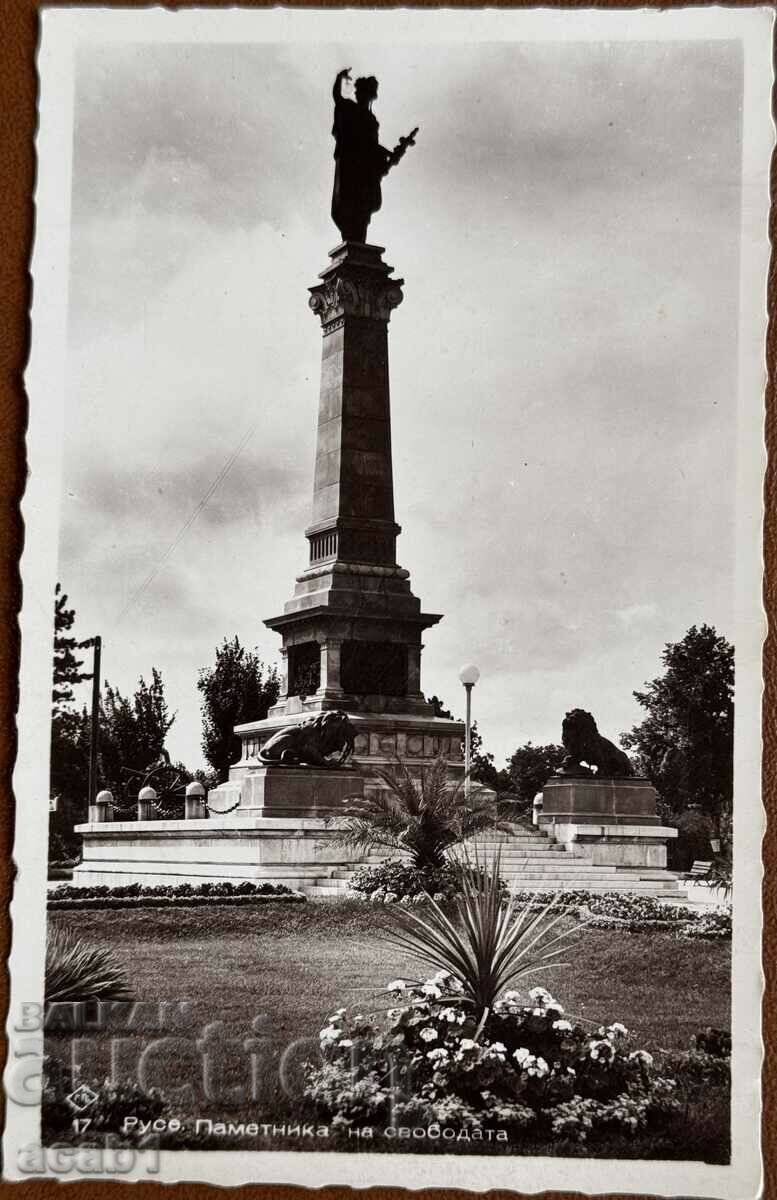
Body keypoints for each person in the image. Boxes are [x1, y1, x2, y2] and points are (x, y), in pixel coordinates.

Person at [330, 69, 393, 244]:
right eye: (357, 92)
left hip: (365, 172)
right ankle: (352, 245)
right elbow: (338, 98)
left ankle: (358, 246)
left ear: (369, 96)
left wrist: (387, 155)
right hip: (350, 167)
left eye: (362, 93)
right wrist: (338, 79)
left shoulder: (372, 121)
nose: (358, 95)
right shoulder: (349, 109)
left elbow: (373, 147)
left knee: (362, 211)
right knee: (349, 207)